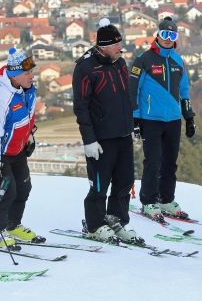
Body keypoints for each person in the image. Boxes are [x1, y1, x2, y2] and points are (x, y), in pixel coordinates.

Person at [72, 18, 139, 242]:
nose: (121, 48)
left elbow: (126, 96)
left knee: (125, 181)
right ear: (104, 46)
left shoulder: (120, 62)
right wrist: (88, 139)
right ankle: (94, 225)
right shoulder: (86, 67)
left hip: (122, 133)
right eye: (116, 45)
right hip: (101, 138)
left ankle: (115, 219)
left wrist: (133, 123)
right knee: (100, 184)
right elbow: (81, 106)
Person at [129, 16, 195, 221]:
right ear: (157, 35)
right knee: (153, 161)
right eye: (164, 34)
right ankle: (148, 201)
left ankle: (166, 199)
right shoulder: (143, 59)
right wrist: (135, 118)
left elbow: (184, 90)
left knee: (170, 162)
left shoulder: (177, 60)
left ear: (176, 38)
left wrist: (189, 116)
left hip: (173, 119)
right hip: (151, 119)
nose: (167, 38)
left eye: (172, 35)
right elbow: (133, 89)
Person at [0, 47, 41, 249]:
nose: (32, 76)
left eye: (32, 71)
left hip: (16, 149)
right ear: (14, 74)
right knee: (7, 191)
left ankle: (12, 225)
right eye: (27, 73)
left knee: (24, 187)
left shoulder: (28, 90)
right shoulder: (0, 98)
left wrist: (28, 138)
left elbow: (27, 118)